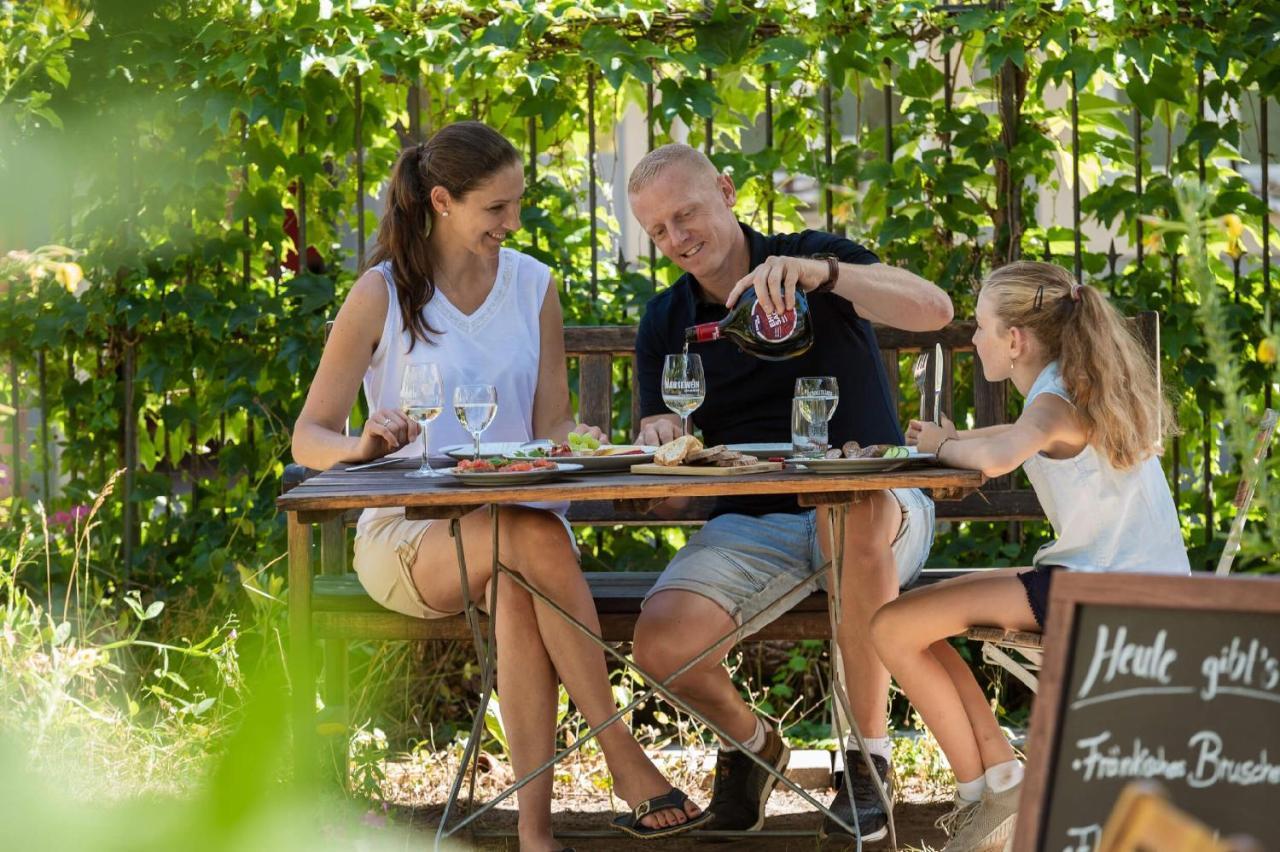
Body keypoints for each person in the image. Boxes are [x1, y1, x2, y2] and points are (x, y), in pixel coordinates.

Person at [291, 122, 709, 850]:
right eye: (497, 208)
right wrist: (360, 447)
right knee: (529, 537)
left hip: (520, 528)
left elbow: (551, 427)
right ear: (444, 202)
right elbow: (308, 438)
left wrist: (587, 445)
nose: (513, 222)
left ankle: (535, 834)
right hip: (411, 534)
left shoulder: (532, 285)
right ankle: (623, 757)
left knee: (524, 568)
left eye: (518, 204)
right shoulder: (380, 293)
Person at [625, 143, 954, 839]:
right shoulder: (666, 320)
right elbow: (663, 435)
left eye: (686, 214)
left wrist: (825, 275)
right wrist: (656, 433)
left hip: (876, 508)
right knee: (660, 646)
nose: (677, 238)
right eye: (658, 230)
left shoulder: (806, 256)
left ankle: (865, 766)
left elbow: (935, 309)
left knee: (852, 513)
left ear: (726, 189)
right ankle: (755, 745)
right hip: (753, 520)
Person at [873, 261, 1190, 851]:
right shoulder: (1070, 388)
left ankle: (986, 794)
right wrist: (947, 440)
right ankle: (997, 779)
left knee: (892, 626)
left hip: (1102, 593)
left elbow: (1002, 457)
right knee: (910, 619)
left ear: (1014, 340)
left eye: (980, 327)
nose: (973, 339)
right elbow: (1002, 441)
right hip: (1127, 584)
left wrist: (945, 444)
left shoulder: (1052, 403)